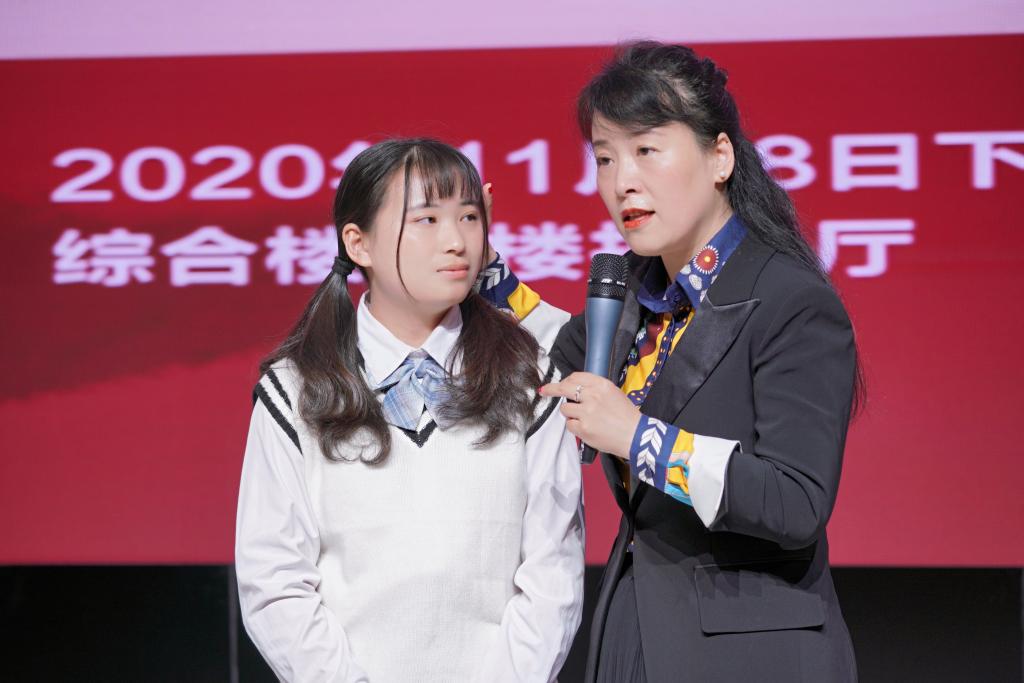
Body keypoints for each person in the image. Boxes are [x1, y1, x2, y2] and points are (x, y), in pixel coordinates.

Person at [478, 42, 861, 682]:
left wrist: (637, 437)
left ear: (720, 157)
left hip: (751, 654)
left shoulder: (791, 300)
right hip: (635, 632)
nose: (621, 181)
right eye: (605, 158)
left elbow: (796, 502)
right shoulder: (637, 290)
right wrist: (483, 266)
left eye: (647, 150)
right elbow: (555, 363)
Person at [235, 139, 584, 683]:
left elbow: (552, 574)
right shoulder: (296, 390)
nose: (456, 240)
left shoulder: (530, 378)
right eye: (426, 219)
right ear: (358, 243)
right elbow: (275, 581)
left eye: (469, 217)